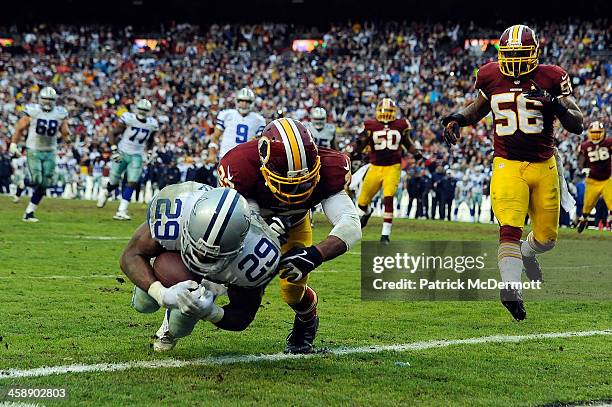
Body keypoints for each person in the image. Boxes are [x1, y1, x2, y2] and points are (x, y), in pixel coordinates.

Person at [441, 24, 583, 320]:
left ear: (534, 53)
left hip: (544, 165)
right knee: (509, 227)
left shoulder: (552, 76)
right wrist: (457, 118)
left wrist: (554, 104)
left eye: (521, 53)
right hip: (507, 163)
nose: (515, 60)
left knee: (547, 238)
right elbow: (479, 108)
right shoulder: (490, 74)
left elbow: (577, 122)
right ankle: (510, 287)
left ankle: (528, 255)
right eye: (510, 53)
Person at [217, 117, 361, 354]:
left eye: (303, 181)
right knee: (218, 279)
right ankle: (175, 315)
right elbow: (244, 220)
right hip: (249, 225)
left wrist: (316, 254)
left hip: (296, 224)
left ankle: (305, 327)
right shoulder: (242, 164)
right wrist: (267, 230)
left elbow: (351, 224)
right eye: (288, 181)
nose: (296, 188)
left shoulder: (330, 166)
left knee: (292, 289)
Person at [121, 183, 284, 351]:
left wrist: (211, 312)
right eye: (198, 250)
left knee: (179, 326)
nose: (201, 258)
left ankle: (200, 298)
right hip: (176, 260)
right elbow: (131, 255)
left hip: (218, 277)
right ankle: (155, 283)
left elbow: (244, 315)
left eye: (211, 256)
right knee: (144, 304)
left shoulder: (257, 252)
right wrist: (160, 292)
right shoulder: (178, 209)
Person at [350, 98, 422, 243]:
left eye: (388, 111)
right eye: (384, 111)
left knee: (388, 197)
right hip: (375, 166)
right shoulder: (370, 125)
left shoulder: (401, 124)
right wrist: (353, 152)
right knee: (362, 203)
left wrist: (416, 152)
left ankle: (385, 235)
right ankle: (368, 212)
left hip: (393, 167)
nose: (385, 114)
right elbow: (361, 142)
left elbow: (407, 142)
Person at [9, 86, 71, 222]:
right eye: (45, 99)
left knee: (45, 183)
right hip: (34, 149)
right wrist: (13, 144)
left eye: (50, 99)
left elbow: (64, 129)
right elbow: (19, 128)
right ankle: (23, 184)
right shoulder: (33, 111)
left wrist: (67, 138)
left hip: (50, 150)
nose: (47, 102)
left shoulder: (60, 113)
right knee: (36, 179)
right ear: (40, 99)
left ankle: (29, 212)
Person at [97, 99, 159, 220]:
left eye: (145, 110)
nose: (142, 112)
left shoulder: (152, 123)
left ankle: (122, 210)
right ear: (137, 109)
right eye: (141, 109)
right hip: (122, 152)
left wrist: (150, 152)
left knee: (132, 182)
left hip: (137, 155)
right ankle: (107, 192)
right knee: (114, 181)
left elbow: (150, 140)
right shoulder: (129, 118)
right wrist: (114, 149)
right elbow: (112, 133)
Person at [207, 87, 266, 163]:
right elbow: (215, 137)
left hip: (247, 160)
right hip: (226, 157)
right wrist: (212, 154)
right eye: (241, 101)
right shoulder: (226, 114)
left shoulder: (259, 120)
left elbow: (260, 142)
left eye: (247, 101)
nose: (244, 104)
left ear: (252, 103)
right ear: (237, 101)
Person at [576, 121, 611, 232]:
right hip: (592, 180)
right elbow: (581, 160)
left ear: (603, 132)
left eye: (598, 132)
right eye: (594, 132)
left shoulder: (609, 142)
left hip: (607, 180)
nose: (596, 134)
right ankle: (583, 219)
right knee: (587, 206)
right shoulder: (585, 146)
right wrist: (583, 168)